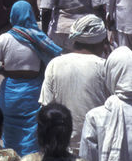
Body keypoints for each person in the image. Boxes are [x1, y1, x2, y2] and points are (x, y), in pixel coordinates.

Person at [0, 1, 61, 155]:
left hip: (10, 93)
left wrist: (6, 72)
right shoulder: (38, 37)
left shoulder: (4, 38)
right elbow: (54, 58)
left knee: (10, 130)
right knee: (32, 131)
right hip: (33, 92)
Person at [38, 14, 110, 152]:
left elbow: (46, 108)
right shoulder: (105, 66)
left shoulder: (55, 64)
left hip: (62, 147)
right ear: (101, 42)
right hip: (97, 146)